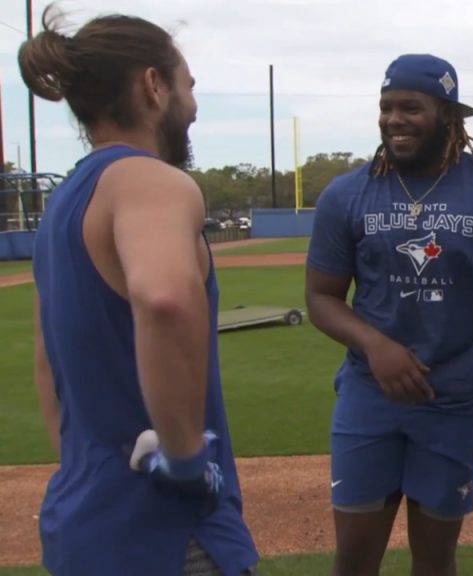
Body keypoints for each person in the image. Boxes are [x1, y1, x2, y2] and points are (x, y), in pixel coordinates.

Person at [21, 5, 258, 575]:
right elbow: (165, 298)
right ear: (154, 87)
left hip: (83, 525)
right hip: (168, 535)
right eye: (189, 86)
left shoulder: (64, 203)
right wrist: (182, 457)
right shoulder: (149, 180)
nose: (194, 108)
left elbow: (46, 368)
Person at [305, 53, 473, 576]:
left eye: (411, 107)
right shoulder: (348, 193)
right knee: (353, 558)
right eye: (386, 107)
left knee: (435, 559)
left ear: (447, 115)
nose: (394, 119)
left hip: (455, 402)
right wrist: (375, 346)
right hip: (370, 396)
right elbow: (321, 298)